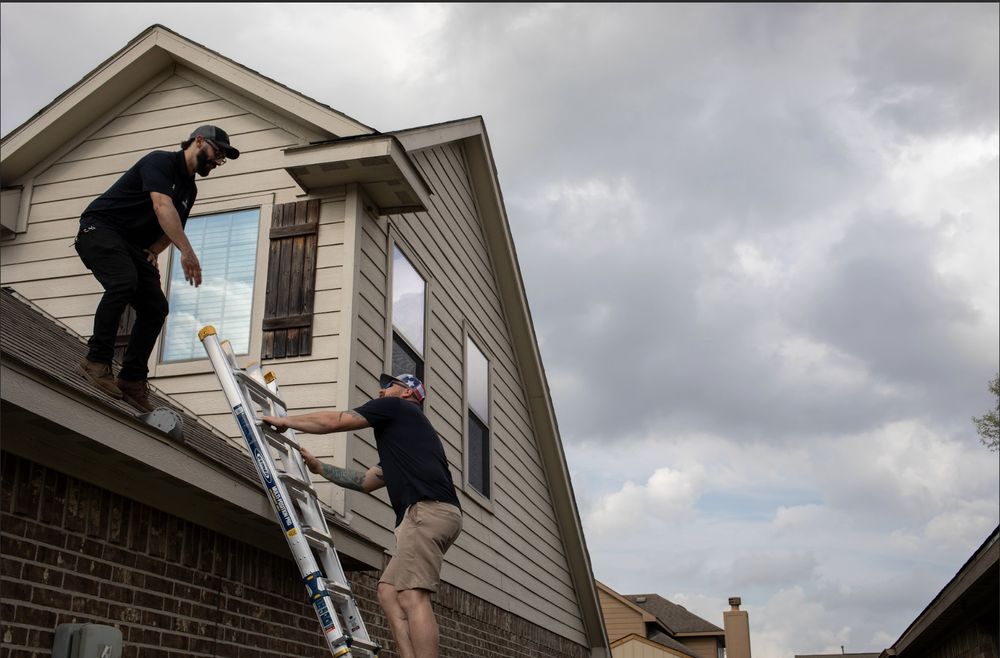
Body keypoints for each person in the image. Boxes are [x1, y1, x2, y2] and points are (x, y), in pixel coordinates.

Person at [262, 373, 462, 658]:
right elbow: (365, 481)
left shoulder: (397, 407)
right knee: (388, 591)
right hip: (439, 513)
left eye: (389, 386)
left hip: (426, 511)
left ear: (407, 392)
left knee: (412, 595)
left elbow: (336, 421)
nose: (381, 391)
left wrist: (286, 421)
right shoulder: (407, 437)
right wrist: (319, 468)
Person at [74, 125, 239, 412]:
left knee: (155, 308)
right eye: (217, 152)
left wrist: (154, 251)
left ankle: (131, 379)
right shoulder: (160, 162)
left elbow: (172, 225)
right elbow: (162, 206)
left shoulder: (190, 189)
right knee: (123, 282)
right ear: (199, 141)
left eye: (222, 158)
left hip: (133, 246)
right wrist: (187, 252)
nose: (218, 160)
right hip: (99, 229)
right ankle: (96, 361)